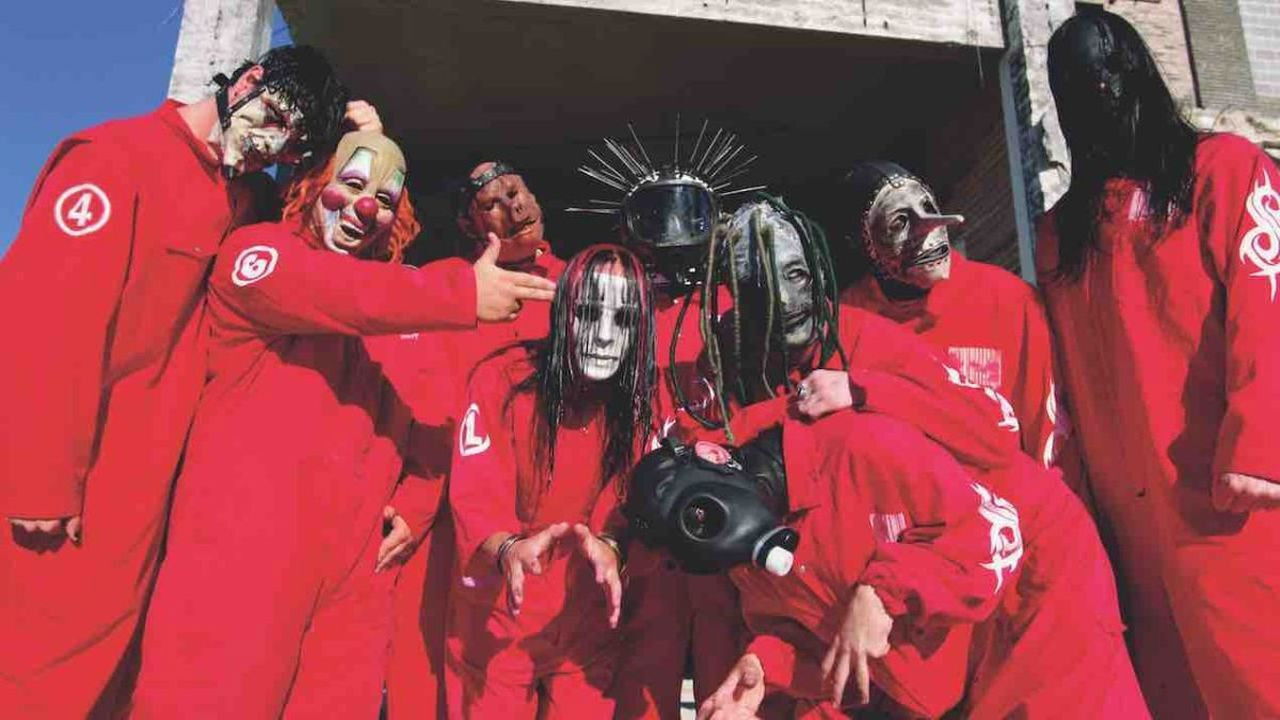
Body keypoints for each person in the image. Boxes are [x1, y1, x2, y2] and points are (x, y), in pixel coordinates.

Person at [639, 198, 1143, 718]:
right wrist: (769, 664)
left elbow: (994, 430)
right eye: (759, 284)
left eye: (796, 275)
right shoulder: (721, 381)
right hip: (915, 594)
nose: (786, 299)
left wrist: (865, 390)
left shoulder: (858, 342)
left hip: (1009, 560)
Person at [127, 130, 555, 718]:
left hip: (357, 557)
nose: (365, 208)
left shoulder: (391, 308)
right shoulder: (259, 255)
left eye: (384, 199)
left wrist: (415, 504)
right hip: (245, 540)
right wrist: (459, 291)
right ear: (311, 186)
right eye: (351, 185)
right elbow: (333, 289)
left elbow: (431, 411)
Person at [0, 45, 356, 718]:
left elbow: (317, 221)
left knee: (105, 676)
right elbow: (44, 320)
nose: (270, 147)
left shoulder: (243, 195)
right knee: (37, 670)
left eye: (291, 144)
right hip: (77, 484)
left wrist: (356, 136)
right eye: (274, 119)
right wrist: (40, 476)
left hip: (150, 490)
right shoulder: (114, 160)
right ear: (247, 82)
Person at [1038, 9, 1280, 718]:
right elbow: (1053, 378)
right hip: (1129, 526)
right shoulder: (1064, 234)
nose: (1101, 91)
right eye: (1078, 82)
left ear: (1140, 70)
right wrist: (1072, 509)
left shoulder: (1223, 170)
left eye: (1111, 71)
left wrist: (1262, 448)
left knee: (1259, 674)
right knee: (1171, 694)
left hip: (1227, 496)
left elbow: (1266, 304)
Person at [384, 160, 566, 720]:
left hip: (549, 520)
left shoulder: (577, 284)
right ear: (469, 225)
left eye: (517, 191)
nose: (514, 206)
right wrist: (416, 504)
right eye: (492, 203)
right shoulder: (447, 286)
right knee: (426, 672)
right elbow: (431, 412)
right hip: (450, 514)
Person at [445, 244, 652, 718]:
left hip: (587, 621)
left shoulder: (641, 404)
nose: (604, 336)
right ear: (562, 313)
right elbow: (475, 491)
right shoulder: (502, 378)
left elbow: (635, 504)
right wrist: (507, 549)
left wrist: (614, 547)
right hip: (500, 613)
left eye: (622, 320)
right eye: (588, 313)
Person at [838, 162, 1064, 467]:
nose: (928, 226)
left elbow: (1048, 440)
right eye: (899, 222)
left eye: (927, 207)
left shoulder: (1009, 300)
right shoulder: (846, 327)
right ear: (864, 245)